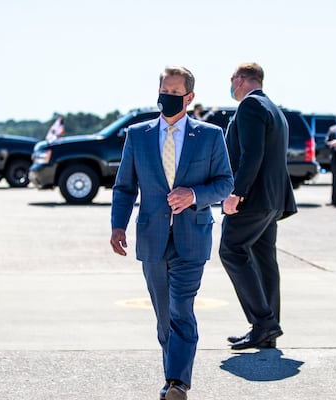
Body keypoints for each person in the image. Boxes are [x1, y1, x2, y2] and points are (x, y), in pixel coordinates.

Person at [110, 66, 233, 400]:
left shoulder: (209, 135)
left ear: (190, 97)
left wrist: (193, 195)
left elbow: (224, 183)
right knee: (164, 315)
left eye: (175, 93)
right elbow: (124, 187)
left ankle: (178, 382)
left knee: (181, 308)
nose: (167, 97)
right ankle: (172, 376)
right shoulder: (138, 134)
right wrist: (117, 225)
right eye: (164, 90)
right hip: (152, 238)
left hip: (192, 237)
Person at [219, 62, 297, 351]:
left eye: (231, 80)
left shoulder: (250, 106)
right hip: (273, 200)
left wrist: (237, 193)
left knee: (231, 250)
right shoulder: (274, 108)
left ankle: (264, 322)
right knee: (264, 261)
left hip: (252, 199)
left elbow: (253, 154)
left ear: (240, 79)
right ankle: (267, 329)